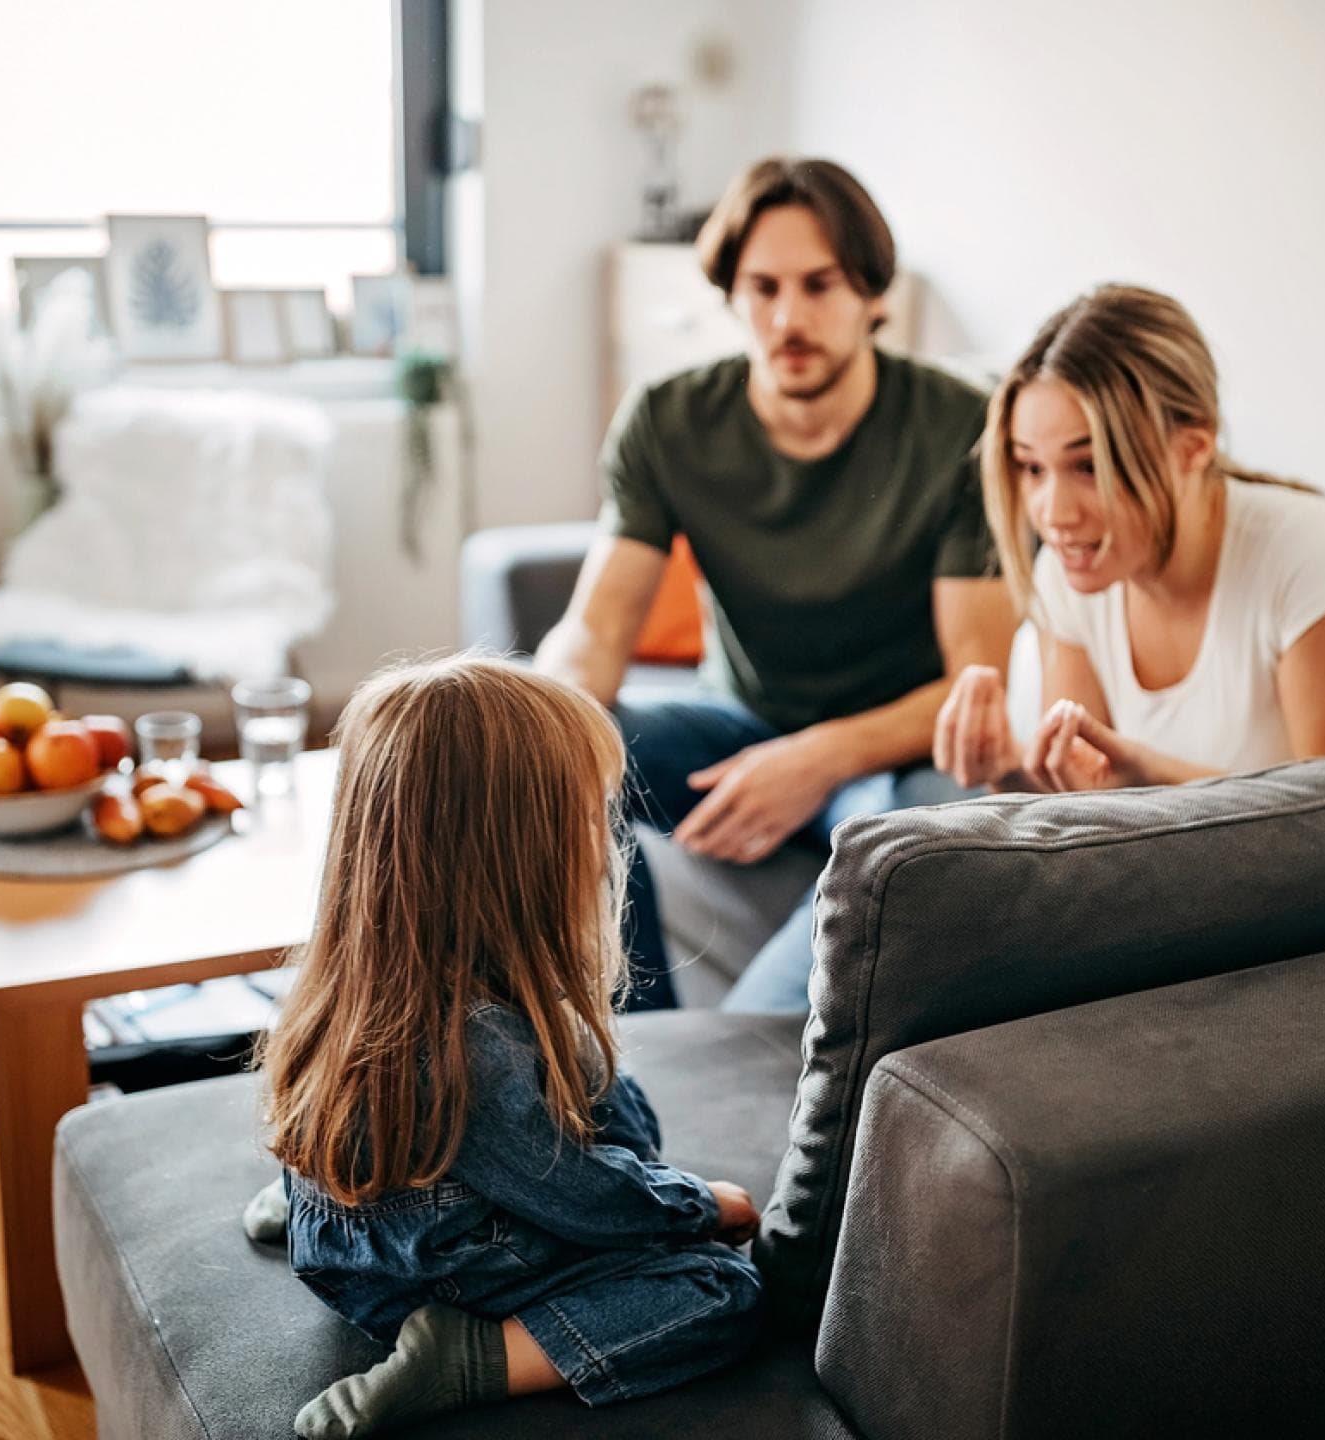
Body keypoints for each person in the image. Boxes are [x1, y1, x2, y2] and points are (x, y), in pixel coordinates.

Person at [537, 156, 1017, 1014]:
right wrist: (542, 727)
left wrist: (817, 757)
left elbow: (975, 685)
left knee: (932, 826)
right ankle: (639, 1052)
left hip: (896, 753)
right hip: (736, 724)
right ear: (732, 295)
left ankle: (759, 1044)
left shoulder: (960, 427)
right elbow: (597, 633)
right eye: (763, 288)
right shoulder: (669, 419)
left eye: (819, 285)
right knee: (573, 747)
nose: (789, 317)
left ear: (874, 293)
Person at [254, 657, 763, 1439]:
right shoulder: (472, 1046)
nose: (607, 838)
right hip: (426, 1274)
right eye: (592, 815)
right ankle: (470, 1357)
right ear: (515, 855)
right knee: (723, 1291)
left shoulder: (371, 966)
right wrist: (692, 1206)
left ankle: (328, 1201)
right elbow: (580, 1192)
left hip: (379, 1225)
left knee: (605, 1091)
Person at [935, 284, 1325, 793]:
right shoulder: (1069, 575)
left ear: (1193, 447)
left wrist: (1156, 785)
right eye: (1031, 468)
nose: (1054, 513)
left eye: (1090, 466)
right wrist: (1006, 774)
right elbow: (1082, 807)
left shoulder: (1316, 560)